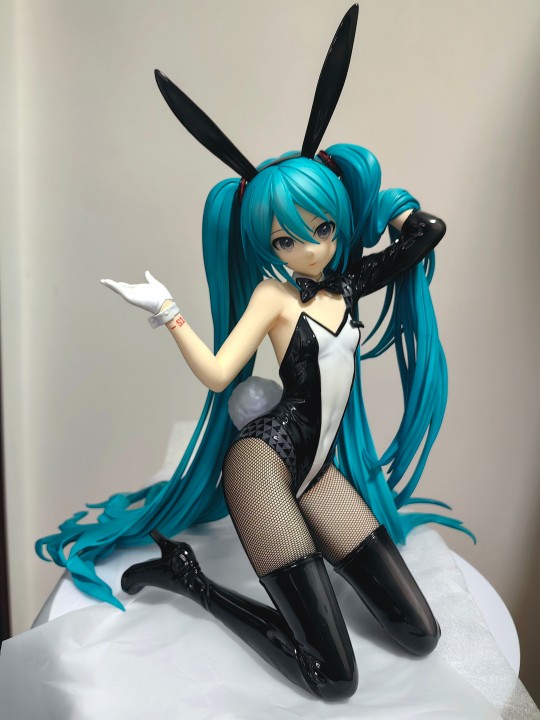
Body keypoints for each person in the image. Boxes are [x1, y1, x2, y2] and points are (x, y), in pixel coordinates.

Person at [36, 6, 471, 700]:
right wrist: (170, 313)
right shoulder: (273, 297)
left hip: (319, 472)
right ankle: (192, 582)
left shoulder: (347, 283)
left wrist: (387, 204)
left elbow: (427, 231)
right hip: (263, 468)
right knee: (334, 679)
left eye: (322, 228)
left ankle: (264, 571)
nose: (308, 248)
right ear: (267, 245)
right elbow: (218, 374)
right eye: (286, 240)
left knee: (421, 635)